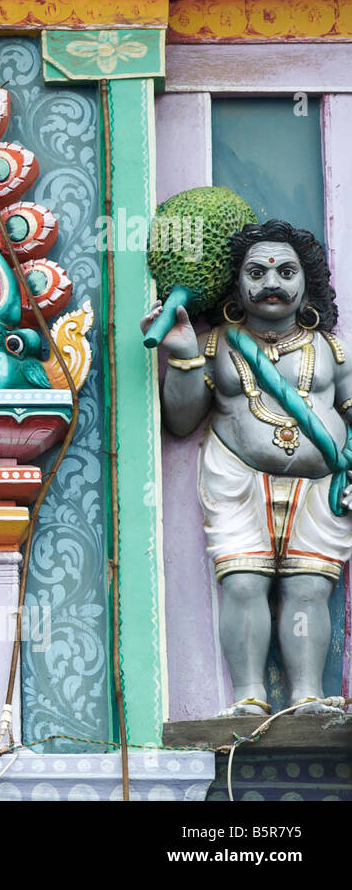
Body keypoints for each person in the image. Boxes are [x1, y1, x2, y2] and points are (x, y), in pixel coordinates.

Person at [142, 219, 350, 717]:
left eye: (286, 271)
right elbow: (182, 420)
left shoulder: (331, 349)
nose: (271, 283)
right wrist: (187, 356)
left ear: (308, 281)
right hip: (236, 479)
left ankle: (307, 696)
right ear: (236, 284)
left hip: (322, 486)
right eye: (256, 272)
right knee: (243, 582)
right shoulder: (218, 345)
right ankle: (248, 696)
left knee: (309, 586)